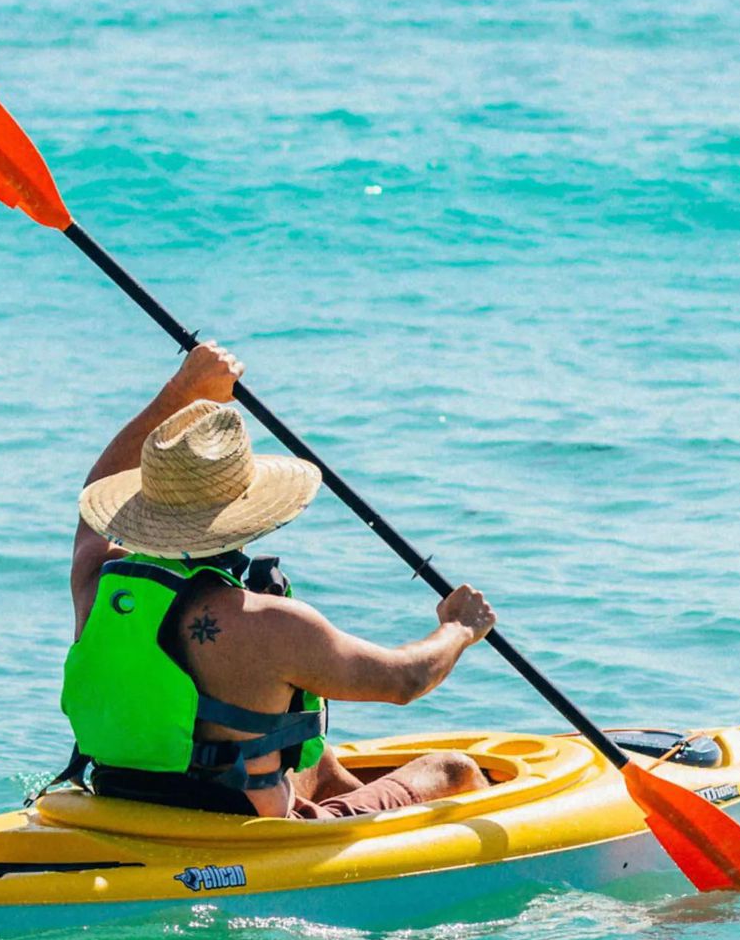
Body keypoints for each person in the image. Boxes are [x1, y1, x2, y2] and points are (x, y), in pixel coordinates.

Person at [62, 343, 497, 819]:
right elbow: (406, 680)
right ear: (246, 514)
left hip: (122, 804)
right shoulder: (272, 623)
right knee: (453, 769)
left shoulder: (99, 583)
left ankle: (344, 800)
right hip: (250, 829)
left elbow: (94, 495)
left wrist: (181, 391)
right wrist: (460, 628)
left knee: (318, 758)